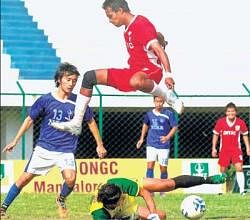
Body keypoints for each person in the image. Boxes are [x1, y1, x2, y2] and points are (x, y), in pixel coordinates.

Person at [51, 0, 184, 135]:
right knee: (89, 77)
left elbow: (159, 49)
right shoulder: (128, 28)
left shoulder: (140, 23)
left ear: (120, 10)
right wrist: (161, 39)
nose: (109, 20)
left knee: (135, 81)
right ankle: (76, 123)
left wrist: (168, 75)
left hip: (151, 71)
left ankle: (168, 96)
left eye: (110, 15)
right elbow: (156, 35)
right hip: (133, 71)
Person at [0, 62, 107, 218]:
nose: (71, 83)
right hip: (44, 148)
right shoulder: (45, 100)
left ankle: (61, 199)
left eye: (74, 81)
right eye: (68, 79)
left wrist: (100, 144)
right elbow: (29, 120)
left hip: (66, 150)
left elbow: (91, 122)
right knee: (24, 179)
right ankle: (3, 208)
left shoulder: (79, 102)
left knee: (71, 179)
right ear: (59, 79)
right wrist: (15, 140)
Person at [89, 174, 226, 219]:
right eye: (121, 198)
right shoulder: (99, 214)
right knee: (163, 216)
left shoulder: (119, 185)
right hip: (121, 212)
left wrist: (152, 214)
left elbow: (144, 192)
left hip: (122, 206)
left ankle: (206, 179)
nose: (124, 197)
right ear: (113, 203)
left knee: (166, 184)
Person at [136, 96, 178, 196]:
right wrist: (141, 139)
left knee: (163, 168)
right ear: (154, 102)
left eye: (160, 101)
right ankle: (150, 190)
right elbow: (145, 125)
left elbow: (175, 127)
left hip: (163, 145)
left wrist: (167, 137)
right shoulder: (149, 114)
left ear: (163, 102)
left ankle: (163, 190)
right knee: (150, 166)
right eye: (156, 101)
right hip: (151, 144)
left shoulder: (169, 113)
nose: (158, 103)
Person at [212, 102, 250, 195]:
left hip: (236, 150)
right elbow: (216, 135)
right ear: (226, 112)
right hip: (224, 150)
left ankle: (242, 191)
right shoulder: (220, 122)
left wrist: (248, 148)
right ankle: (220, 190)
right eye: (229, 111)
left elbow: (245, 136)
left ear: (236, 112)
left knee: (239, 168)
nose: (231, 113)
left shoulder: (240, 122)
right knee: (222, 169)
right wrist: (214, 148)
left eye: (232, 111)